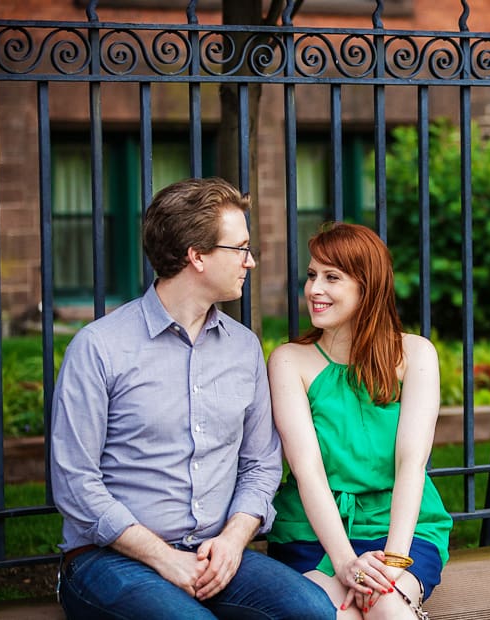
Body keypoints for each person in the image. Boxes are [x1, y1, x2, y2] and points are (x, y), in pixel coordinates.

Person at [50, 177, 336, 619]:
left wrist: (232, 540)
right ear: (196, 256)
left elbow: (260, 464)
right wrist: (166, 559)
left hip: (213, 553)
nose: (251, 261)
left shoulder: (243, 348)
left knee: (312, 611)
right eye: (240, 248)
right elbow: (75, 484)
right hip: (107, 558)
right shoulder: (99, 348)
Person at [266, 222, 452, 619]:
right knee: (338, 614)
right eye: (313, 275)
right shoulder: (289, 361)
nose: (315, 288)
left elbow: (411, 463)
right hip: (313, 532)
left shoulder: (415, 354)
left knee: (388, 607)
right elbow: (308, 470)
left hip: (401, 528)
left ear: (367, 288)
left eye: (332, 277)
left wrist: (394, 563)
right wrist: (346, 561)